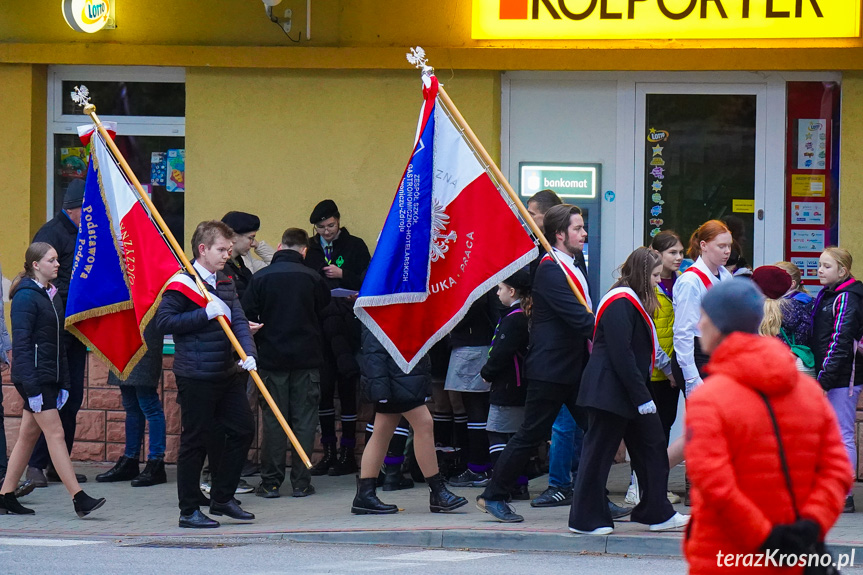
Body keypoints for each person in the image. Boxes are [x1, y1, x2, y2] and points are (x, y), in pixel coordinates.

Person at [684, 279, 852, 573]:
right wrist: (811, 525)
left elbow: (715, 485)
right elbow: (837, 471)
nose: (699, 325)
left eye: (703, 316)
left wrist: (766, 537)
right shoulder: (809, 391)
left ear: (716, 324)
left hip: (728, 554)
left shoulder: (709, 398)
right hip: (800, 553)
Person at [476, 204, 594, 523]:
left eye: (583, 227)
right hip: (551, 370)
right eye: (577, 228)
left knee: (595, 430)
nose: (584, 233)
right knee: (530, 435)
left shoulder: (571, 263)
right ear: (559, 235)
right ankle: (493, 495)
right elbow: (577, 317)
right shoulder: (551, 269)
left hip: (572, 367)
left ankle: (593, 498)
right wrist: (610, 333)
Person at [570, 247, 687, 534]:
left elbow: (638, 351)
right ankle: (585, 519)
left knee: (652, 448)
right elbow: (621, 355)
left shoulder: (628, 300)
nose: (658, 282)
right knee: (598, 455)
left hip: (624, 390)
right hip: (609, 392)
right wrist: (642, 397)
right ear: (642, 274)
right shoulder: (620, 302)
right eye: (656, 276)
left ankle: (656, 511)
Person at [155, 220, 257, 529]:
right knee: (195, 442)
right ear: (203, 249)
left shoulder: (225, 280)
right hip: (196, 374)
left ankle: (222, 497)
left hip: (226, 372)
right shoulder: (182, 283)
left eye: (228, 249)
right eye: (221, 249)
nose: (227, 254)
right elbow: (164, 322)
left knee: (242, 430)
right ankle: (188, 510)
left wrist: (249, 352)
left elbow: (238, 319)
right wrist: (204, 314)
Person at [0, 243, 105, 517]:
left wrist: (65, 384)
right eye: (51, 260)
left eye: (57, 259)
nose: (57, 264)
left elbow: (59, 345)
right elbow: (22, 347)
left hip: (48, 378)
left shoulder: (51, 295)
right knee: (56, 434)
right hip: (34, 379)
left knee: (26, 436)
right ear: (36, 265)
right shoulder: (25, 298)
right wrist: (32, 389)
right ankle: (78, 498)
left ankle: (5, 495)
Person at [242, 227, 331, 499]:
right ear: (304, 251)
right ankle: (301, 483)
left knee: (273, 421)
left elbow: (246, 315)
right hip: (307, 361)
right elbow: (324, 311)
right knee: (304, 421)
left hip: (271, 360)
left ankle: (270, 483)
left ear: (280, 247)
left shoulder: (261, 277)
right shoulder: (313, 278)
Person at [351, 326, 467, 515]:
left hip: (398, 377)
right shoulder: (382, 302)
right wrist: (380, 389)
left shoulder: (394, 302)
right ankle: (437, 492)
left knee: (382, 431)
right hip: (397, 379)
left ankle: (365, 494)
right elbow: (373, 349)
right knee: (423, 423)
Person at [27, 179, 89, 487]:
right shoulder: (51, 234)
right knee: (50, 400)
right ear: (76, 209)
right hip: (54, 330)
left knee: (73, 397)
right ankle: (36, 465)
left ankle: (57, 463)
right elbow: (40, 283)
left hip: (74, 328)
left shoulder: (82, 233)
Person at [305, 199, 371, 477]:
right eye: (321, 228)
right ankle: (328, 451)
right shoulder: (310, 249)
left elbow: (369, 280)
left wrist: (344, 275)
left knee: (346, 388)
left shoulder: (355, 245)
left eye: (330, 226)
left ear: (338, 221)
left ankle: (347, 452)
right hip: (320, 327)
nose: (326, 232)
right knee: (324, 390)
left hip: (347, 326)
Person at [627, 230, 685, 507]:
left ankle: (654, 486)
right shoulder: (647, 287)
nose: (678, 258)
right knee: (649, 432)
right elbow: (650, 334)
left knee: (663, 428)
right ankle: (638, 486)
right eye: (672, 252)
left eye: (681, 252)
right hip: (653, 371)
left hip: (670, 372)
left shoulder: (680, 283)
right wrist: (668, 367)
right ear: (656, 253)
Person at [811, 247, 863, 514]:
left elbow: (840, 341)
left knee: (842, 435)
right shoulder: (830, 295)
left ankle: (844, 495)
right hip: (835, 376)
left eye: (827, 266)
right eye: (819, 265)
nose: (820, 270)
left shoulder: (847, 298)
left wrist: (825, 379)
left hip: (844, 378)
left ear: (842, 271)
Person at [95, 325, 167, 487]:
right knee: (131, 406)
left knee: (148, 404)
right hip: (123, 337)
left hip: (144, 337)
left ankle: (156, 462)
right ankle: (130, 459)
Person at [481, 270, 531, 500]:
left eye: (500, 288)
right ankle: (518, 483)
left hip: (508, 387)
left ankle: (503, 483)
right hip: (518, 387)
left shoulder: (514, 319)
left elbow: (501, 352)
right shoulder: (522, 316)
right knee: (515, 437)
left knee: (498, 434)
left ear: (512, 292)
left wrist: (487, 372)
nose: (497, 292)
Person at [672, 220, 733, 398]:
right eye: (721, 246)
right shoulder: (691, 281)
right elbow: (683, 331)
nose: (727, 251)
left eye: (729, 246)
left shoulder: (725, 275)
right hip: (697, 355)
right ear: (704, 245)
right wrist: (691, 376)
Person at [445, 294, 496, 488]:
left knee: (476, 410)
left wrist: (448, 321)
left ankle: (477, 468)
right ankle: (480, 465)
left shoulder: (475, 276)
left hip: (472, 346)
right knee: (477, 409)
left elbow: (471, 306)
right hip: (477, 344)